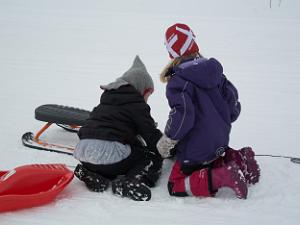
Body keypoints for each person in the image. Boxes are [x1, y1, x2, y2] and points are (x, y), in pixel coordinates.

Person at [156, 23, 260, 199]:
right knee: (212, 154)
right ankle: (238, 159)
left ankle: (221, 177)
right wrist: (221, 120)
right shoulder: (215, 72)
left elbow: (183, 116)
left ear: (171, 51)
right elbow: (232, 103)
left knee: (175, 184)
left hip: (196, 150)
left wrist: (169, 139)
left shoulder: (178, 82)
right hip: (220, 140)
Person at [73, 56, 163, 201]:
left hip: (83, 152)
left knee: (115, 155)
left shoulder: (106, 99)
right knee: (150, 155)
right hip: (109, 155)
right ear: (141, 88)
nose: (147, 99)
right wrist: (170, 146)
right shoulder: (137, 104)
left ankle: (93, 175)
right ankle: (132, 181)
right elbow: (152, 138)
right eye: (148, 94)